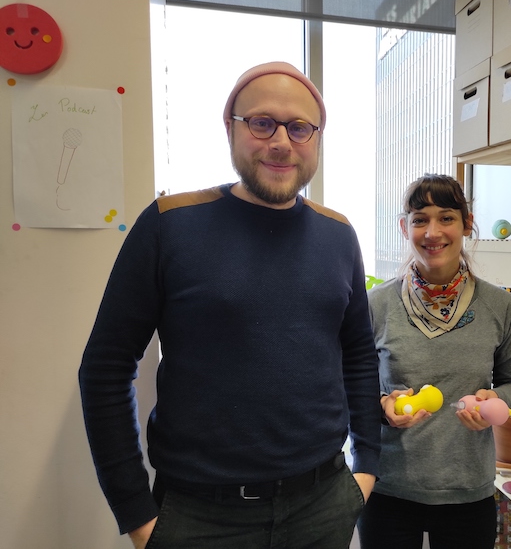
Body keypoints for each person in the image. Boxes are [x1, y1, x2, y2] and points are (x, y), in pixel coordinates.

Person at [79, 61, 380, 549]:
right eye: (262, 122)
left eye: (300, 127)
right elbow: (105, 369)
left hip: (323, 507)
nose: (281, 141)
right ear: (231, 128)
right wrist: (136, 514)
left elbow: (361, 358)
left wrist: (366, 467)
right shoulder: (168, 225)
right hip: (199, 518)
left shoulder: (339, 234)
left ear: (317, 138)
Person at [356, 173, 511, 549]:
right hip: (388, 488)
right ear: (405, 227)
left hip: (467, 490)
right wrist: (382, 404)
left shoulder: (501, 306)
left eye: (446, 217)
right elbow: (350, 387)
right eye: (420, 219)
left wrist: (496, 402)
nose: (433, 232)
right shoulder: (377, 305)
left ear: (467, 223)